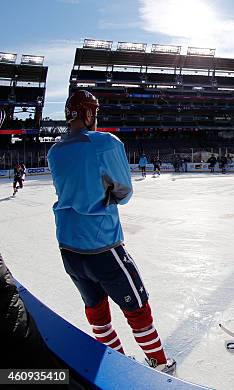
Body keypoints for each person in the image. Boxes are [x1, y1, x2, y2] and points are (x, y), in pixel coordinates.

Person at [47, 90, 175, 374]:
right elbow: (124, 191)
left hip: (68, 248)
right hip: (102, 246)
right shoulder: (105, 142)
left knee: (96, 309)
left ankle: (116, 362)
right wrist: (105, 194)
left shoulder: (54, 151)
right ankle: (160, 363)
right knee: (138, 307)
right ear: (89, 113)